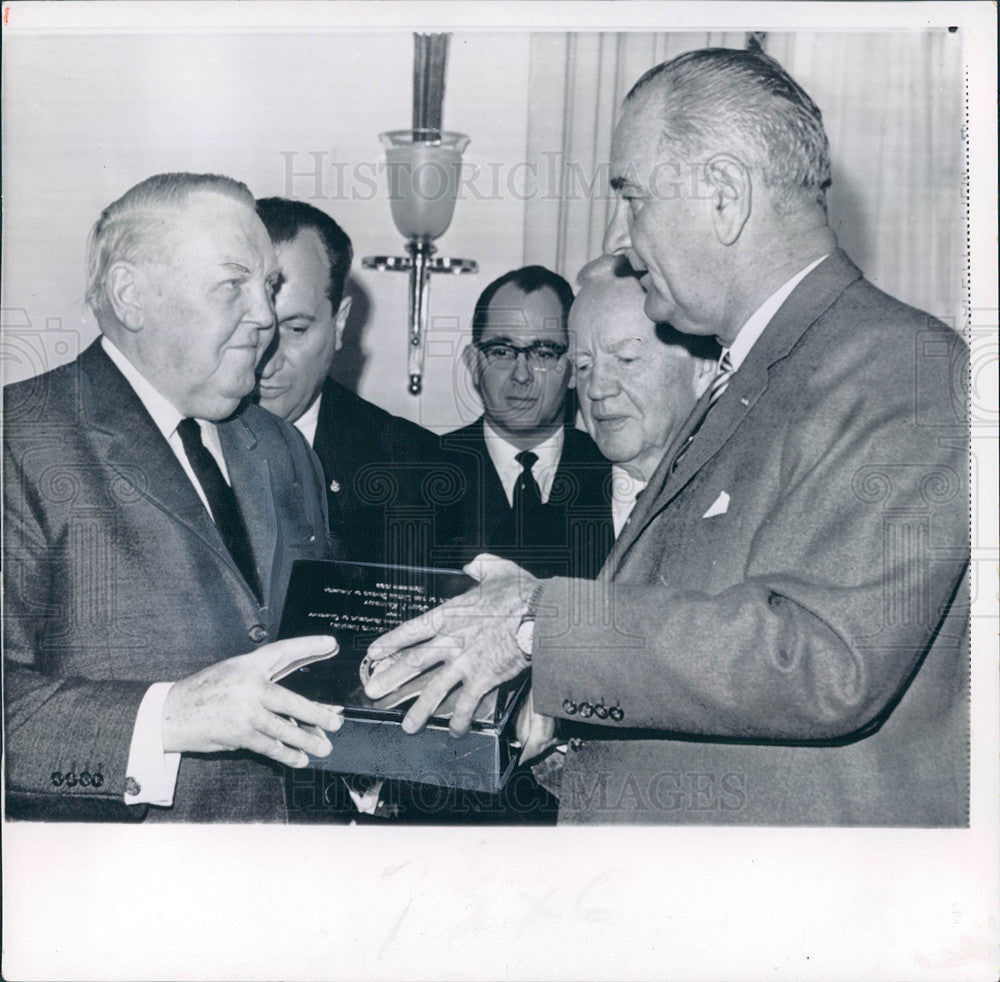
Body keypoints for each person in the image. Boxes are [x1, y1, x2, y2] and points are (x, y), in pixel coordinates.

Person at [362, 47, 970, 826]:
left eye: (634, 197)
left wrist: (538, 624)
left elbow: (822, 658)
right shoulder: (758, 369)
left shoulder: (903, 370)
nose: (623, 235)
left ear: (724, 194)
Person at [3, 173, 345, 823]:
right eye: (232, 285)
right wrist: (169, 717)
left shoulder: (282, 449)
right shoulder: (19, 442)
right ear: (133, 296)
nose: (267, 316)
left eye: (268, 286)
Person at [255, 197, 442, 568]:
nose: (267, 361)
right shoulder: (182, 440)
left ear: (338, 324)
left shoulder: (413, 467)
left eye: (295, 329)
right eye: (255, 327)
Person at [438, 266, 613, 580]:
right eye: (502, 351)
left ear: (574, 368)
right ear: (473, 363)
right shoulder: (424, 468)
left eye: (543, 353)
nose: (521, 375)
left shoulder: (613, 475)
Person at [570, 255, 716, 536]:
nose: (596, 388)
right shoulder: (531, 531)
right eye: (583, 366)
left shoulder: (749, 505)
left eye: (626, 360)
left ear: (703, 369)